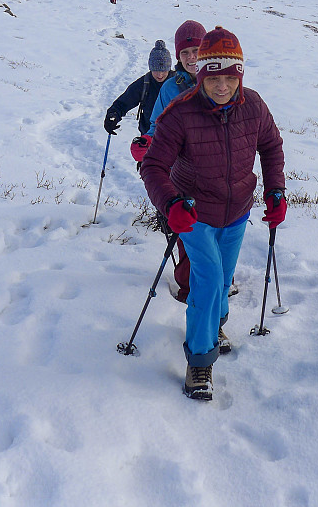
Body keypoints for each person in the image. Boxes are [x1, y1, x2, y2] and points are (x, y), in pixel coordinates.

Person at [140, 26, 287, 401]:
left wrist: (275, 190)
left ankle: (214, 324)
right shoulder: (180, 113)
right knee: (206, 280)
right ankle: (199, 363)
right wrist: (171, 204)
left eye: (229, 78)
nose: (222, 87)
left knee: (223, 280)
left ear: (239, 75)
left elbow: (271, 147)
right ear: (200, 75)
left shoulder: (253, 105)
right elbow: (154, 165)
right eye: (213, 78)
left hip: (237, 211)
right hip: (194, 213)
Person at [140, 20, 206, 300]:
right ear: (178, 57)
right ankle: (191, 290)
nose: (191, 58)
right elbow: (157, 124)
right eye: (185, 53)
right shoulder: (171, 87)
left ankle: (215, 283)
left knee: (216, 236)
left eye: (196, 50)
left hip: (218, 174)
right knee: (189, 235)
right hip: (184, 174)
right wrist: (148, 144)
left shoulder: (222, 80)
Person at [104, 40, 173, 148]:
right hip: (149, 139)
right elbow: (123, 102)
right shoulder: (145, 84)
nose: (160, 75)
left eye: (163, 70)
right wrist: (113, 115)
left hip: (176, 139)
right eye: (155, 70)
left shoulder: (178, 82)